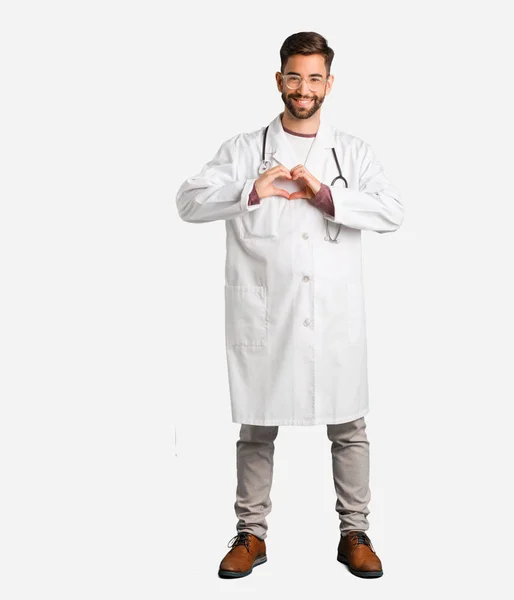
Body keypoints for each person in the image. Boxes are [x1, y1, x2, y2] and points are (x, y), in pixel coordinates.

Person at [176, 31, 404, 579]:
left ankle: (355, 532)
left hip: (333, 317)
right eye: (295, 76)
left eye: (315, 77)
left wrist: (329, 197)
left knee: (349, 426)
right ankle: (250, 534)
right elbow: (186, 201)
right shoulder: (244, 150)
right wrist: (252, 190)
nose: (304, 88)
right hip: (267, 316)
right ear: (280, 80)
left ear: (329, 82)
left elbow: (393, 211)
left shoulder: (352, 152)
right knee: (256, 426)